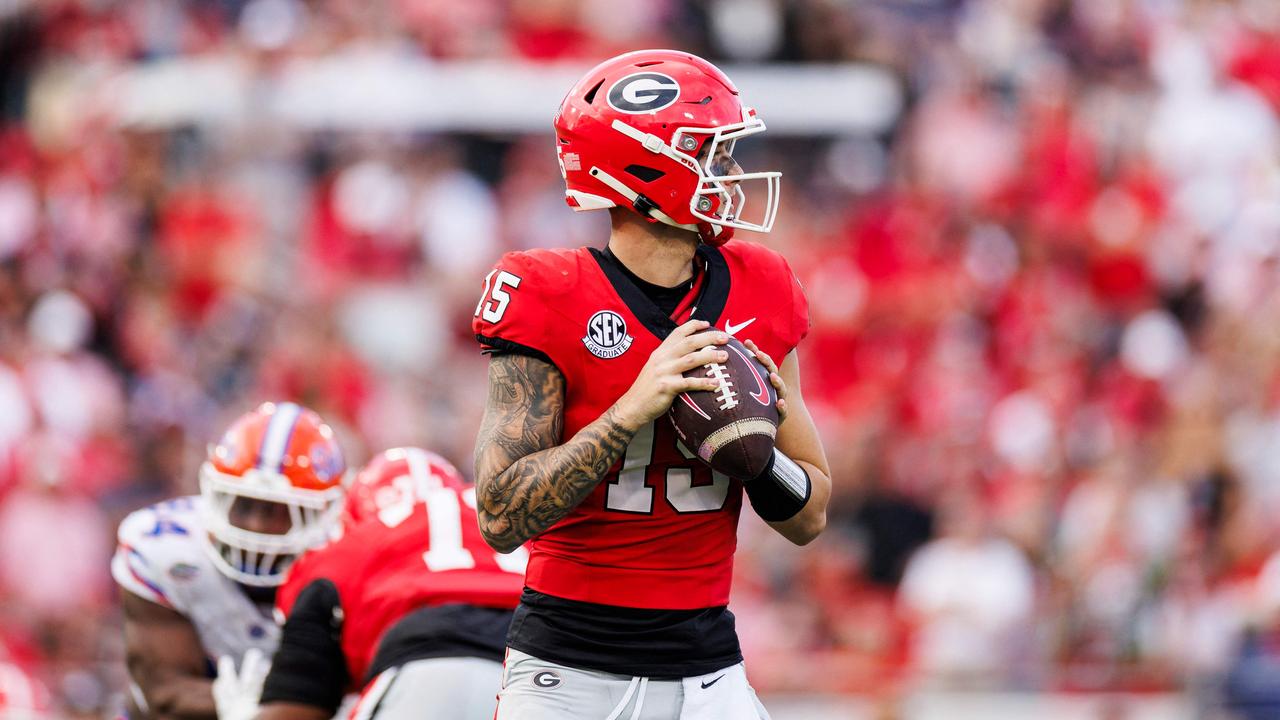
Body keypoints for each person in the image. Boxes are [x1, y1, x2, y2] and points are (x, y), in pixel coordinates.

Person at [471, 49, 831, 719]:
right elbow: (497, 515)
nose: (729, 173)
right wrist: (630, 409)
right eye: (710, 154)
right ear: (646, 166)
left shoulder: (763, 283)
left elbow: (811, 515)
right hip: (567, 671)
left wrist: (757, 454)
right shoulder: (549, 290)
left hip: (709, 670)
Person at [111, 402, 348, 720]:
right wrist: (240, 706)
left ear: (324, 513)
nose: (256, 526)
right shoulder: (165, 550)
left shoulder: (350, 563)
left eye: (280, 511)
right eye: (244, 504)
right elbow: (163, 692)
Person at [252, 447, 526, 720]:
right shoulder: (517, 530)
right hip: (532, 672)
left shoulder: (348, 547)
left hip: (417, 674)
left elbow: (295, 704)